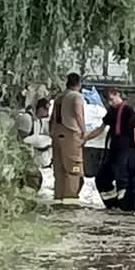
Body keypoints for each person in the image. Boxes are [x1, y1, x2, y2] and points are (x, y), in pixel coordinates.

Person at [84, 89, 135, 208]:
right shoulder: (112, 111)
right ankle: (112, 203)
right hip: (113, 149)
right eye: (108, 101)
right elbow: (101, 128)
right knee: (102, 177)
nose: (110, 103)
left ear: (118, 94)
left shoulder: (129, 111)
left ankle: (125, 205)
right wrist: (86, 138)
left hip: (126, 149)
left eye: (111, 99)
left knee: (122, 178)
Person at [50, 73, 86, 205]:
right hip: (71, 134)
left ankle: (58, 198)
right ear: (79, 83)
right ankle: (70, 200)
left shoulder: (59, 96)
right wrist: (83, 131)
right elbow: (78, 113)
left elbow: (52, 117)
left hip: (57, 133)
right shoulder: (76, 96)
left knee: (59, 169)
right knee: (73, 168)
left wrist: (51, 132)